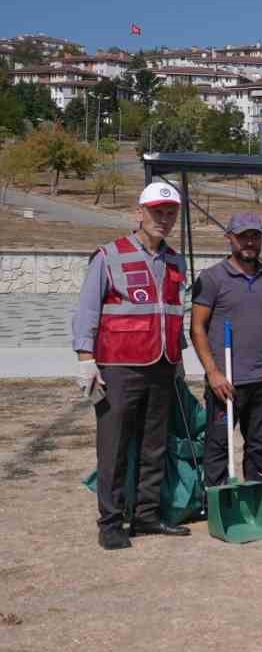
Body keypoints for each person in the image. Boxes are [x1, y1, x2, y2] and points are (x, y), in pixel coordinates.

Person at [73, 180, 190, 548]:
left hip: (162, 365)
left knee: (155, 445)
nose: (164, 219)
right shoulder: (109, 255)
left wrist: (179, 360)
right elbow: (87, 311)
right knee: (115, 446)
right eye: (157, 212)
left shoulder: (175, 261)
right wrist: (85, 360)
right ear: (139, 213)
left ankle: (146, 516)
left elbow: (173, 314)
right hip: (117, 367)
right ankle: (110, 523)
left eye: (171, 213)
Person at [190, 213, 262, 495]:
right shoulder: (212, 278)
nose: (250, 242)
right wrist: (212, 372)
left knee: (259, 445)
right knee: (218, 444)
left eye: (255, 236)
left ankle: (256, 498)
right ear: (230, 238)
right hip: (227, 383)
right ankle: (216, 500)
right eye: (243, 236)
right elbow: (197, 328)